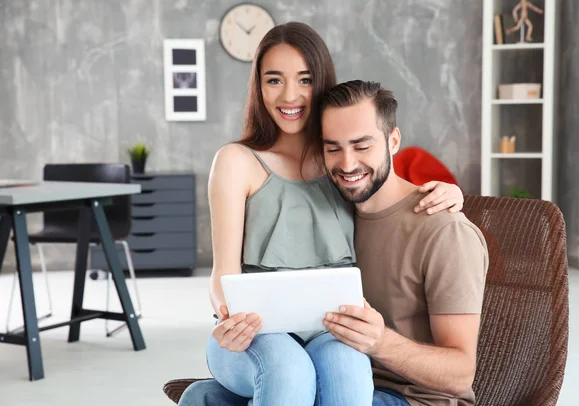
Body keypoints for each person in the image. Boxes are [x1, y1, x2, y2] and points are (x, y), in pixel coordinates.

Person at [178, 23, 465, 406]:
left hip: (331, 330)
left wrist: (454, 192)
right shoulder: (236, 162)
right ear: (258, 87)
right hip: (252, 336)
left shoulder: (339, 163)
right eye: (274, 80)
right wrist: (229, 316)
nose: (290, 95)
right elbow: (222, 276)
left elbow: (389, 192)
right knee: (289, 371)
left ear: (321, 83)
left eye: (305, 80)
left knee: (349, 377)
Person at [317, 80, 489, 405]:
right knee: (205, 396)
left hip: (414, 400)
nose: (348, 164)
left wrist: (379, 341)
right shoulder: (332, 215)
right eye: (333, 148)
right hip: (337, 378)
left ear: (393, 141)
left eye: (362, 146)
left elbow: (461, 373)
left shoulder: (444, 230)